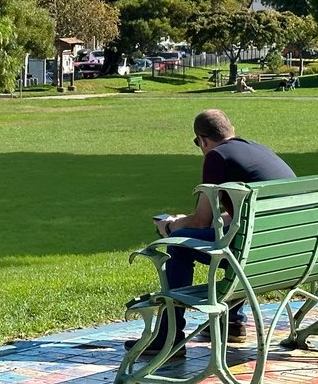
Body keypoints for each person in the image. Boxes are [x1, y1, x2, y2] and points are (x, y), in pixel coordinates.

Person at [126, 108, 294, 362]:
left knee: (179, 247)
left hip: (254, 247)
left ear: (202, 140)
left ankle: (168, 338)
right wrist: (188, 223)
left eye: (198, 143)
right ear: (232, 130)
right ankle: (232, 323)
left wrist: (171, 227)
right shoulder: (258, 150)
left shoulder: (217, 156)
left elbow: (202, 220)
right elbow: (242, 216)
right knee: (234, 241)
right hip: (287, 246)